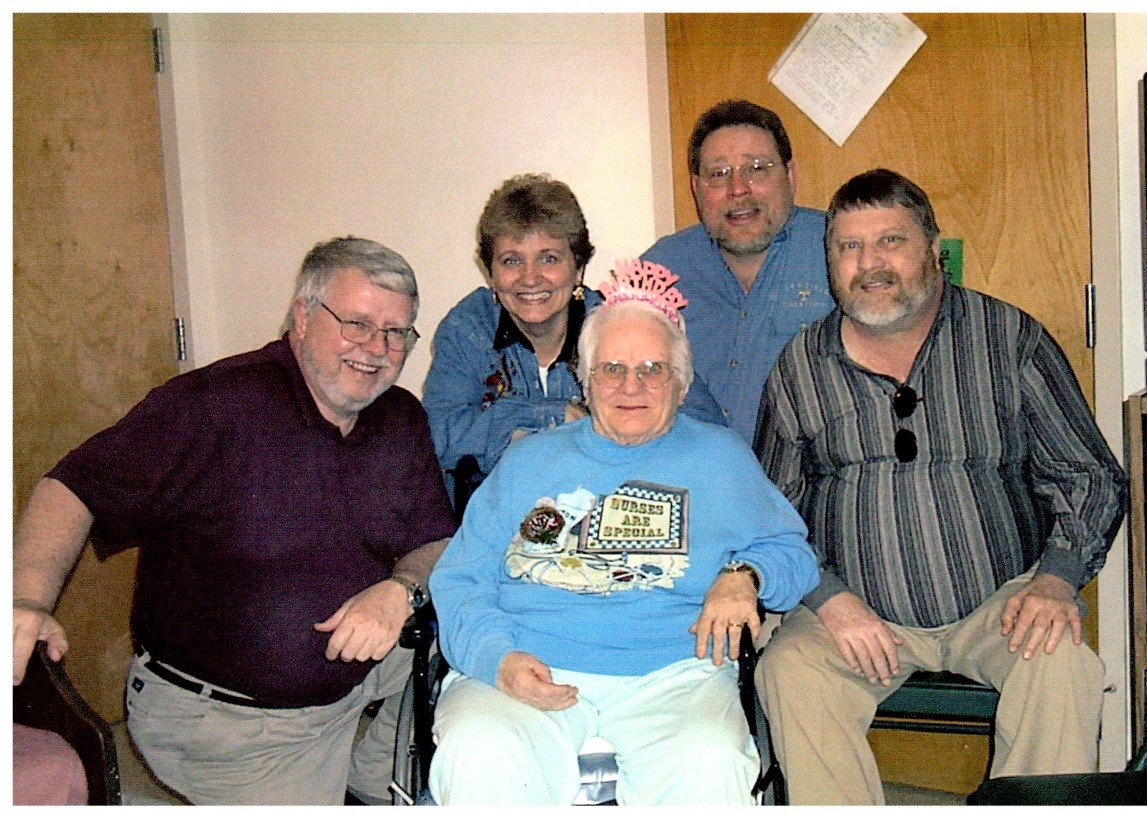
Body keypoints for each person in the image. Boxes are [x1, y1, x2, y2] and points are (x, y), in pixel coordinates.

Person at [12, 237, 457, 805]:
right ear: (301, 315)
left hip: (349, 681)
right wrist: (26, 600)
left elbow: (434, 538)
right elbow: (72, 489)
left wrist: (401, 590)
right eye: (357, 323)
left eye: (397, 332)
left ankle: (368, 772)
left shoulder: (399, 417)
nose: (377, 348)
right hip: (228, 722)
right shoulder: (213, 405)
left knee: (465, 639)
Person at [752, 169, 1128, 804]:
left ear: (932, 248)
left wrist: (1057, 578)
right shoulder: (799, 366)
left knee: (1063, 667)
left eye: (890, 241)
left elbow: (1091, 474)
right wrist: (830, 598)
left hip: (1001, 603)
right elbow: (771, 508)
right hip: (855, 611)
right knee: (788, 671)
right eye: (848, 247)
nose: (870, 264)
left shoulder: (1009, 339)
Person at [426, 259, 819, 805]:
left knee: (712, 762)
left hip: (674, 675)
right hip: (525, 664)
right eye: (611, 368)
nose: (631, 385)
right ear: (584, 382)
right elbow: (461, 577)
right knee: (480, 751)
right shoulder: (527, 461)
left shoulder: (719, 458)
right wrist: (497, 659)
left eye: (653, 369)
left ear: (681, 384)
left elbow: (793, 556)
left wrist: (744, 574)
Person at [424, 173, 724, 503]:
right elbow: (439, 437)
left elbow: (703, 422)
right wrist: (552, 415)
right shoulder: (468, 330)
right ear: (491, 272)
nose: (530, 278)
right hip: (494, 517)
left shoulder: (619, 324)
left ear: (578, 268)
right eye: (511, 260)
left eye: (548, 258)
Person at [642, 99, 835, 443]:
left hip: (817, 485)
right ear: (696, 187)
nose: (738, 189)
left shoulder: (838, 250)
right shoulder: (659, 273)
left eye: (757, 168)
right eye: (719, 174)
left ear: (790, 176)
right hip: (697, 484)